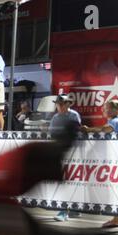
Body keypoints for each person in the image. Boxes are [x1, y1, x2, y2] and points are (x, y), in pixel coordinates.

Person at [80, 99, 118, 228]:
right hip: (112, 160)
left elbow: (105, 129)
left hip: (117, 161)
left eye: (109, 108)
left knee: (117, 189)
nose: (106, 110)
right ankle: (117, 218)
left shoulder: (116, 122)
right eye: (105, 108)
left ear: (116, 110)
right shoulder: (113, 121)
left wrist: (88, 130)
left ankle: (117, 219)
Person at [49, 94, 82, 222]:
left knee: (72, 181)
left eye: (62, 104)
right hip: (61, 152)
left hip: (74, 152)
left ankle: (68, 209)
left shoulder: (74, 115)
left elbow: (76, 132)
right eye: (58, 104)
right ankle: (66, 209)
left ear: (68, 104)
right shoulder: (55, 117)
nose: (60, 106)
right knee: (65, 182)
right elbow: (52, 133)